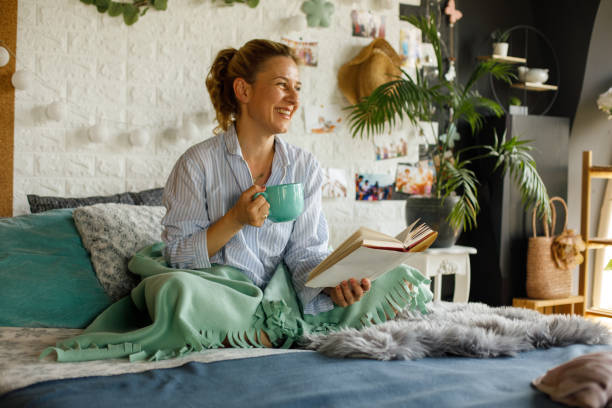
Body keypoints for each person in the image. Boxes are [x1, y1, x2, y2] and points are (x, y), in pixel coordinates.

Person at [41, 40, 432, 362]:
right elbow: (178, 256)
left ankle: (267, 330)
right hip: (221, 292)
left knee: (398, 279)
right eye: (282, 85)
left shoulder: (305, 166)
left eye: (298, 87)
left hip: (287, 294)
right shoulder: (197, 164)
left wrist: (333, 287)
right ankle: (270, 329)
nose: (294, 97)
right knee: (177, 291)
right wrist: (235, 219)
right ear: (243, 90)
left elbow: (306, 253)